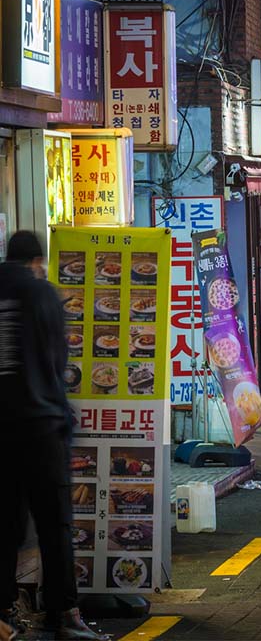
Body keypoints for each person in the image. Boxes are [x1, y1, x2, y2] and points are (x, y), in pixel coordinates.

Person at [0, 232, 106, 641]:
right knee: (54, 525)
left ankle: (4, 615)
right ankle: (61, 615)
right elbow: (57, 360)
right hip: (41, 427)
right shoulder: (43, 293)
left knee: (5, 524)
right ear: (36, 261)